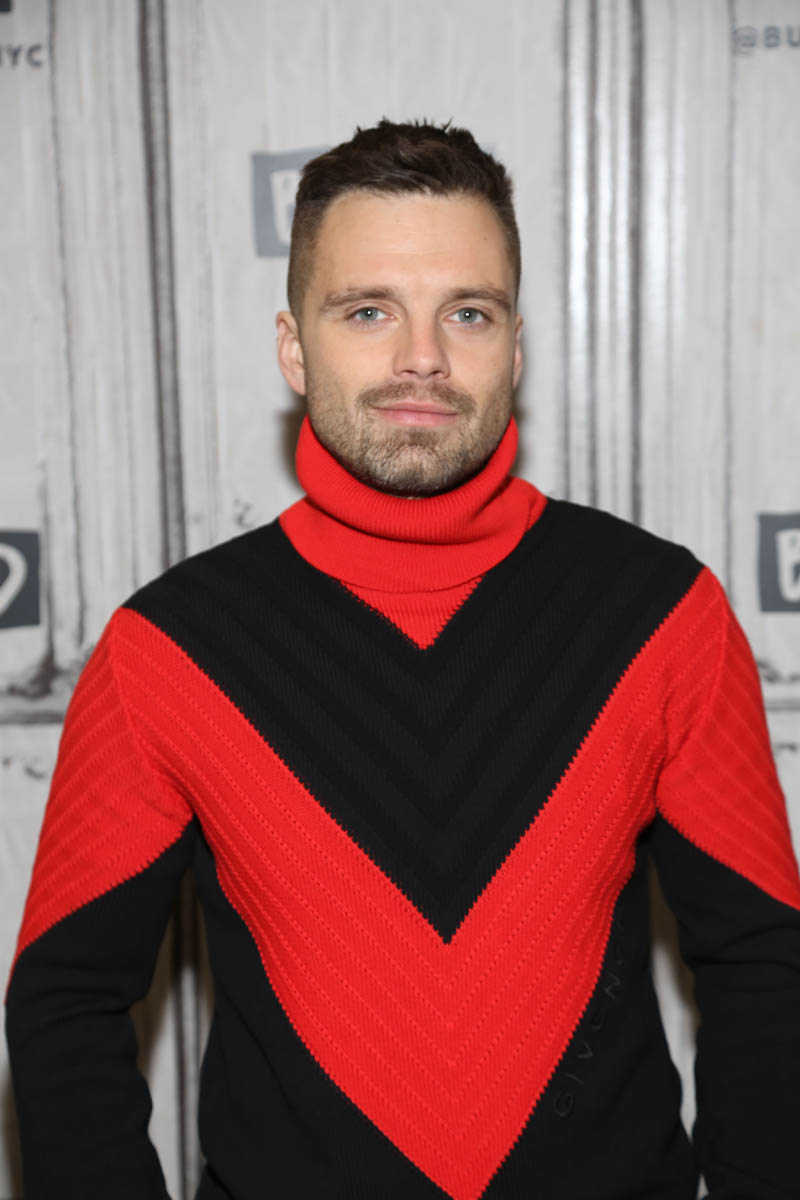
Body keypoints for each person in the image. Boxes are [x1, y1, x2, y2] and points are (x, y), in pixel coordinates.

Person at [5, 119, 800, 1200]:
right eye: (368, 310)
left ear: (515, 348)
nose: (421, 355)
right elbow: (63, 1002)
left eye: (466, 313)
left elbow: (765, 965)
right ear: (294, 348)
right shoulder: (164, 652)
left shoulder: (664, 615)